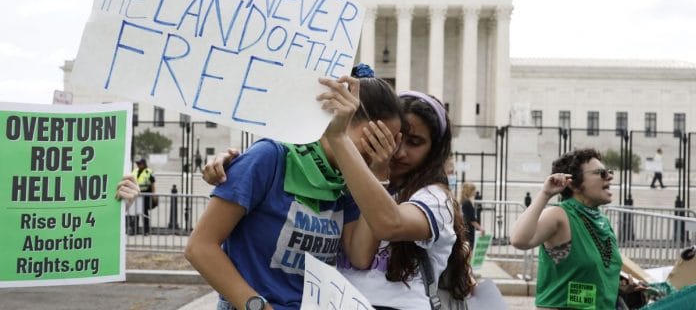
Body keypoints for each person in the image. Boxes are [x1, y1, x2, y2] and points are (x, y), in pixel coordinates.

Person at [185, 74, 404, 310]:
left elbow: (360, 255)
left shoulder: (348, 182)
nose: (381, 151)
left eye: (389, 145)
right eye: (375, 139)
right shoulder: (269, 157)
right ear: (341, 118)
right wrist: (257, 306)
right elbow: (200, 247)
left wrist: (379, 172)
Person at [334, 91, 475, 309]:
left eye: (415, 142)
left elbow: (389, 224)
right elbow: (359, 256)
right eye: (394, 138)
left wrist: (378, 172)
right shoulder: (351, 183)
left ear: (434, 151)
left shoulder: (435, 198)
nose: (399, 152)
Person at [510, 148, 622, 310]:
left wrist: (622, 285)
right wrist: (545, 194)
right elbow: (519, 240)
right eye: (601, 173)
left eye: (609, 172)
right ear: (574, 184)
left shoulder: (601, 221)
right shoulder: (560, 215)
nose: (610, 176)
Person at [127, 158, 155, 235]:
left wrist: (153, 195)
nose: (138, 165)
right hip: (136, 194)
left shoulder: (149, 171)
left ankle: (146, 231)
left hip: (145, 195)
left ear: (144, 164)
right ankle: (134, 230)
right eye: (137, 163)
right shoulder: (135, 171)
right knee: (135, 212)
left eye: (139, 163)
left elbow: (153, 184)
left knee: (144, 213)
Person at [460, 182, 484, 248]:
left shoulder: (462, 201)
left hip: (464, 229)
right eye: (473, 190)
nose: (475, 192)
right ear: (469, 191)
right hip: (468, 230)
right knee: (470, 247)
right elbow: (471, 219)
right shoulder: (467, 203)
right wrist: (480, 228)